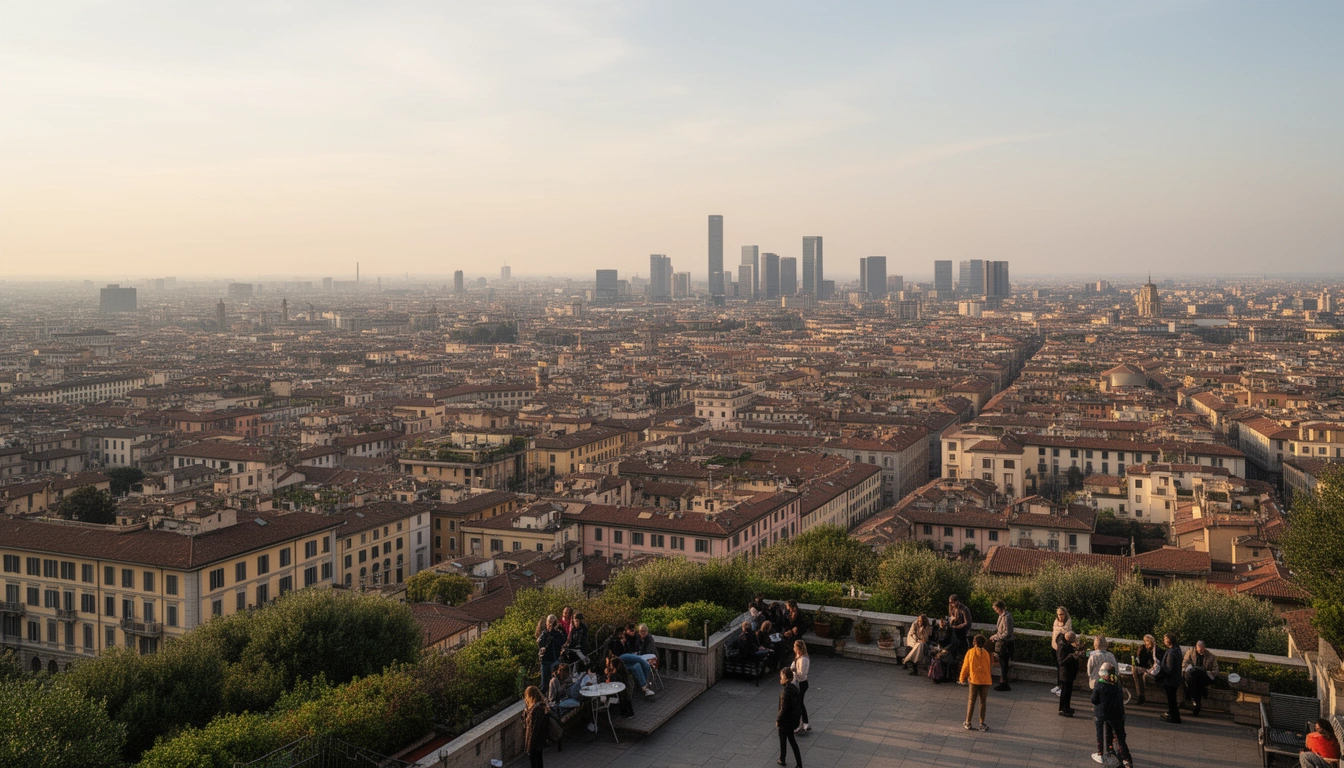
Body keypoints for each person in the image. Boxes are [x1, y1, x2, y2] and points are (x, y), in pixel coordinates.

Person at [1091, 662, 1134, 768]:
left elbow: (1094, 700)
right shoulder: (1116, 685)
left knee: (1107, 734)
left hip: (1105, 714)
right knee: (1119, 737)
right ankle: (1126, 759)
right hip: (1118, 714)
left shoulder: (1100, 685)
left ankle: (1110, 753)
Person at [960, 634, 992, 731]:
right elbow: (988, 666)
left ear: (974, 643)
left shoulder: (970, 652)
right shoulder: (986, 653)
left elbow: (965, 666)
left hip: (974, 679)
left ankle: (968, 722)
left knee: (971, 701)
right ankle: (982, 723)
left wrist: (962, 678)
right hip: (985, 680)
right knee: (983, 702)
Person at [615, 623, 656, 698]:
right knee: (637, 658)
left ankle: (643, 687)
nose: (633, 632)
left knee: (639, 665)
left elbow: (638, 647)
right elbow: (620, 653)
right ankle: (644, 687)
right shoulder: (616, 641)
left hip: (630, 660)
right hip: (621, 659)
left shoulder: (636, 637)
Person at [1181, 640, 1218, 716]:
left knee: (1196, 676)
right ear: (1196, 647)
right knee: (1192, 675)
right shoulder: (1190, 652)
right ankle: (1197, 702)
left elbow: (1216, 669)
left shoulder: (1211, 656)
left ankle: (1191, 698)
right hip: (1192, 677)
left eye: (1203, 649)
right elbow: (1184, 663)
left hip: (1203, 677)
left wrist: (1210, 672)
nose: (1201, 651)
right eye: (1200, 649)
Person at [776, 667, 804, 767]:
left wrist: (778, 720)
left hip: (786, 721)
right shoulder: (794, 688)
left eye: (781, 677)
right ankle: (798, 763)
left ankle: (782, 759)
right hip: (793, 720)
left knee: (783, 740)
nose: (780, 679)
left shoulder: (785, 691)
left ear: (785, 678)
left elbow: (783, 709)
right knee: (792, 740)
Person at [1157, 632, 1183, 724]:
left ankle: (1175, 718)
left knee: (1171, 700)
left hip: (1170, 680)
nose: (1164, 641)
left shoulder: (1171, 652)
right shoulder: (1177, 650)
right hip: (1176, 678)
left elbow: (1168, 668)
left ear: (1168, 641)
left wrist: (1160, 669)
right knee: (1172, 699)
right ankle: (1173, 715)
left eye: (1165, 639)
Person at [989, 600, 1014, 691]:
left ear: (1000, 608)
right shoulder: (1001, 616)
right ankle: (1002, 681)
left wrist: (996, 637)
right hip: (1002, 642)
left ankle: (1004, 683)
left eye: (996, 609)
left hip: (1006, 643)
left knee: (1004, 663)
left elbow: (1007, 632)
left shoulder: (1007, 617)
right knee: (1002, 663)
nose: (995, 611)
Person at [522, 685, 548, 768]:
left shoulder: (535, 711)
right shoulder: (541, 707)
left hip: (534, 742)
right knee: (539, 760)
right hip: (540, 740)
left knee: (534, 762)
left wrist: (529, 746)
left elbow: (533, 730)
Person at [537, 614, 566, 686]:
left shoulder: (558, 633)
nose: (550, 623)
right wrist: (542, 647)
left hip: (554, 659)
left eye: (552, 621)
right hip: (545, 659)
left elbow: (561, 644)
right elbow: (540, 643)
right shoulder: (544, 634)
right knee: (544, 682)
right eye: (549, 621)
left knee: (553, 681)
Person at [1051, 607, 1074, 697]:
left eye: (1061, 614)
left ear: (1065, 614)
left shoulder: (1068, 622)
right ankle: (1058, 685)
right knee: (1058, 667)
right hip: (1054, 647)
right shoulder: (1056, 621)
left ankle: (1062, 687)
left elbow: (1066, 633)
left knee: (1063, 669)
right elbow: (1055, 632)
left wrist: (1059, 630)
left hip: (1063, 649)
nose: (1060, 616)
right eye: (1058, 614)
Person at [1058, 632, 1082, 717]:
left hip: (1070, 673)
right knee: (1065, 691)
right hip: (1066, 673)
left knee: (1068, 691)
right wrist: (1071, 656)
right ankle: (1063, 709)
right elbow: (1061, 661)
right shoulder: (1063, 646)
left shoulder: (1067, 645)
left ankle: (1067, 707)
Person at [791, 640, 812, 734]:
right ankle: (805, 723)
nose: (793, 649)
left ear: (798, 648)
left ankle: (800, 725)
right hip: (800, 683)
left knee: (798, 704)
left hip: (801, 683)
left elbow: (802, 674)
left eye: (795, 647)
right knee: (800, 704)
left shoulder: (803, 659)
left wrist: (794, 670)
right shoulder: (799, 657)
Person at [1133, 634, 1158, 706]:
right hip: (1146, 668)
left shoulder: (1156, 650)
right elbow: (1140, 661)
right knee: (1135, 670)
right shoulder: (1142, 648)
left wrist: (1149, 670)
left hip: (1154, 670)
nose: (1146, 645)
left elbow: (1156, 664)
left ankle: (1141, 696)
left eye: (1148, 643)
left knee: (1144, 675)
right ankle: (1140, 695)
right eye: (1145, 642)